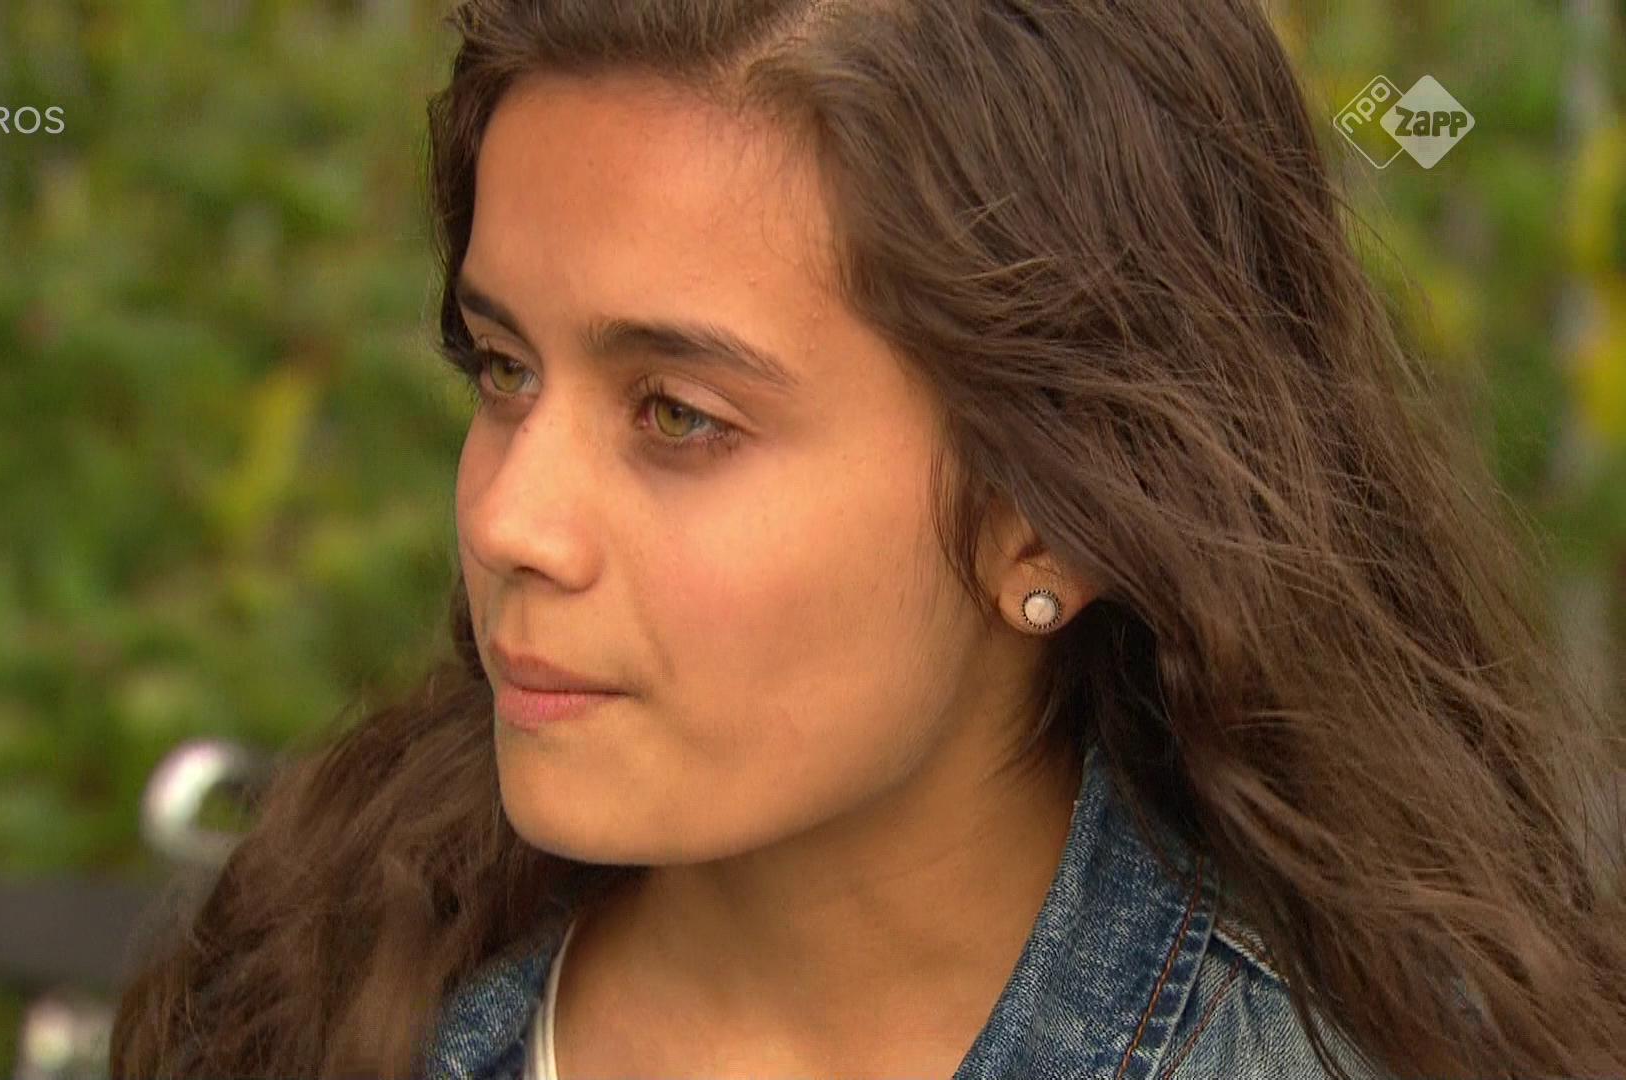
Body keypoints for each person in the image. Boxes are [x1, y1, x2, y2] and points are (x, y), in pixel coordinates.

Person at [109, 1, 1626, 1077]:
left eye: (678, 415)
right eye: (503, 369)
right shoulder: (319, 978)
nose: (509, 519)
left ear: (1051, 517)